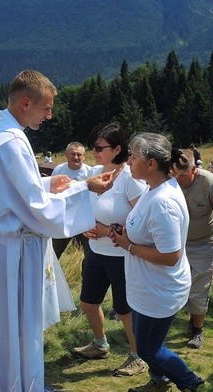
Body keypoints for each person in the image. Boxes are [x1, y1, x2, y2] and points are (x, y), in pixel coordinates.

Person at [0, 70, 114, 392]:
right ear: (25, 103)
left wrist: (49, 182)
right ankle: (25, 385)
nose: (50, 116)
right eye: (46, 108)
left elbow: (5, 188)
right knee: (23, 323)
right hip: (16, 246)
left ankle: (8, 380)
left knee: (4, 321)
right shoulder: (13, 142)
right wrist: (84, 187)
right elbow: (38, 209)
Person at [109, 132, 204, 392]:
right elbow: (148, 233)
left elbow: (171, 256)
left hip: (160, 289)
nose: (128, 161)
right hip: (147, 286)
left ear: (151, 164)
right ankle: (158, 381)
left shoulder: (163, 202)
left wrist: (128, 245)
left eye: (133, 156)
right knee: (148, 342)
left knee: (148, 349)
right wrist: (125, 233)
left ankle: (189, 381)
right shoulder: (154, 190)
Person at [70, 123, 148, 377]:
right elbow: (84, 206)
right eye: (92, 146)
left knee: (125, 310)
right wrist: (85, 227)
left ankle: (138, 356)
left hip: (121, 255)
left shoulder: (130, 179)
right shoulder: (93, 173)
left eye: (99, 147)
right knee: (88, 302)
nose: (94, 152)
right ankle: (101, 343)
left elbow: (142, 221)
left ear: (117, 149)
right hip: (96, 251)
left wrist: (107, 230)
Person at [172, 149, 213, 349]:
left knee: (199, 287)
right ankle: (192, 318)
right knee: (180, 285)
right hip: (178, 243)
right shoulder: (168, 181)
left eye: (183, 175)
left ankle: (198, 330)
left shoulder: (210, 184)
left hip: (204, 243)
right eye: (175, 174)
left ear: (195, 169)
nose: (179, 179)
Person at [50, 141, 92, 259]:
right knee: (54, 252)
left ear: (84, 156)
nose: (76, 157)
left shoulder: (90, 172)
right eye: (73, 154)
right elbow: (51, 191)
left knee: (89, 255)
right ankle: (50, 276)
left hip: (84, 218)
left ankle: (85, 277)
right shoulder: (59, 169)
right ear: (66, 154)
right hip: (64, 218)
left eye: (79, 155)